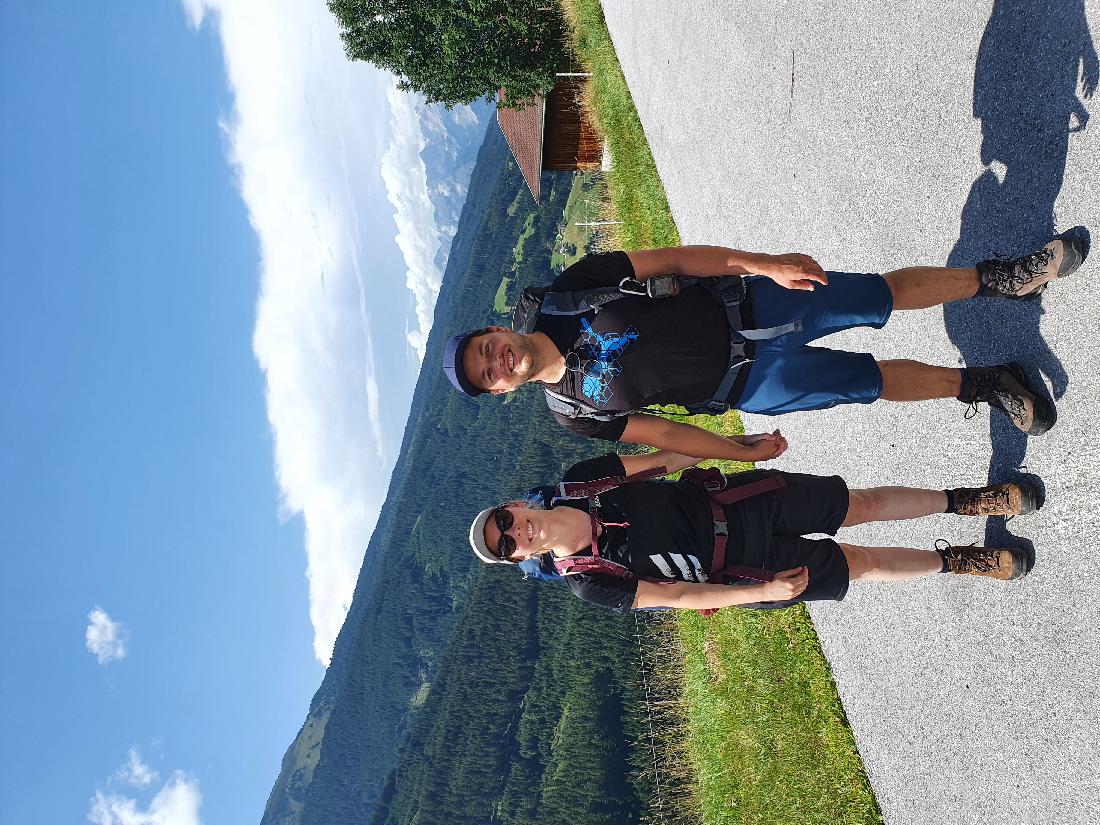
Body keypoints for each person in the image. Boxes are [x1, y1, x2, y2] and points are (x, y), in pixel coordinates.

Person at [443, 233, 1088, 463]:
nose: (498, 360)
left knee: (880, 295)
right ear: (500, 391)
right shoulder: (572, 413)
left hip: (750, 304)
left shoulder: (568, 292)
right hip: (750, 387)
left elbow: (673, 259)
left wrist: (763, 263)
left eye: (487, 348)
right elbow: (661, 433)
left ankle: (1002, 279)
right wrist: (735, 450)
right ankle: (985, 384)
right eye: (488, 373)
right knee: (872, 382)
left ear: (495, 330)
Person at [468, 448, 1038, 613]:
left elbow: (660, 462)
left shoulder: (580, 482)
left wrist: (735, 449)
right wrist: (761, 592)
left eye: (505, 522)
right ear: (520, 560)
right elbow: (679, 597)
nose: (518, 533)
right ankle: (960, 561)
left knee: (857, 504)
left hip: (741, 502)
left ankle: (967, 500)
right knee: (856, 563)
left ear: (513, 505)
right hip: (744, 572)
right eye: (508, 546)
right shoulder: (588, 580)